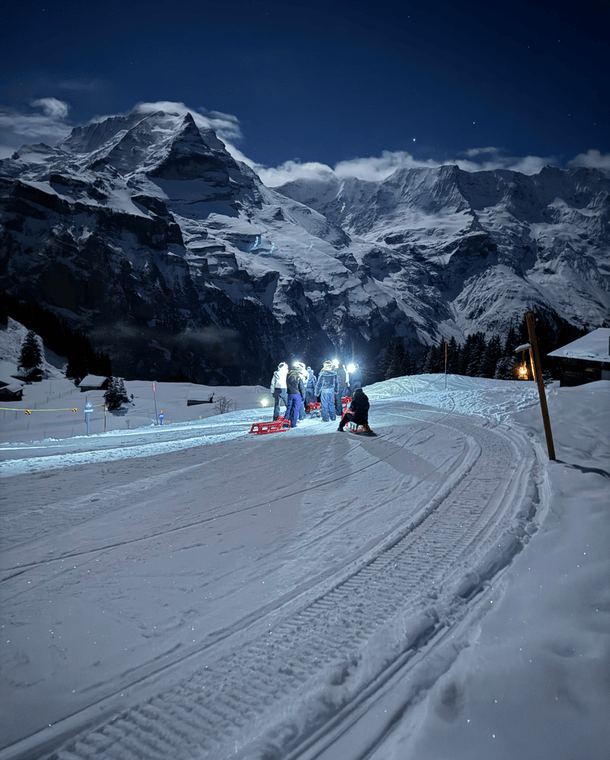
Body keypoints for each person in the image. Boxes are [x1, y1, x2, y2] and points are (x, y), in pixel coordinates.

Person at [285, 364, 305, 428]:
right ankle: (293, 424)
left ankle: (285, 423)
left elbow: (287, 385)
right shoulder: (298, 377)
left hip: (290, 394)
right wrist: (303, 396)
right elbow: (301, 388)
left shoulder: (288, 376)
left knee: (289, 409)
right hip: (297, 394)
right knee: (295, 409)